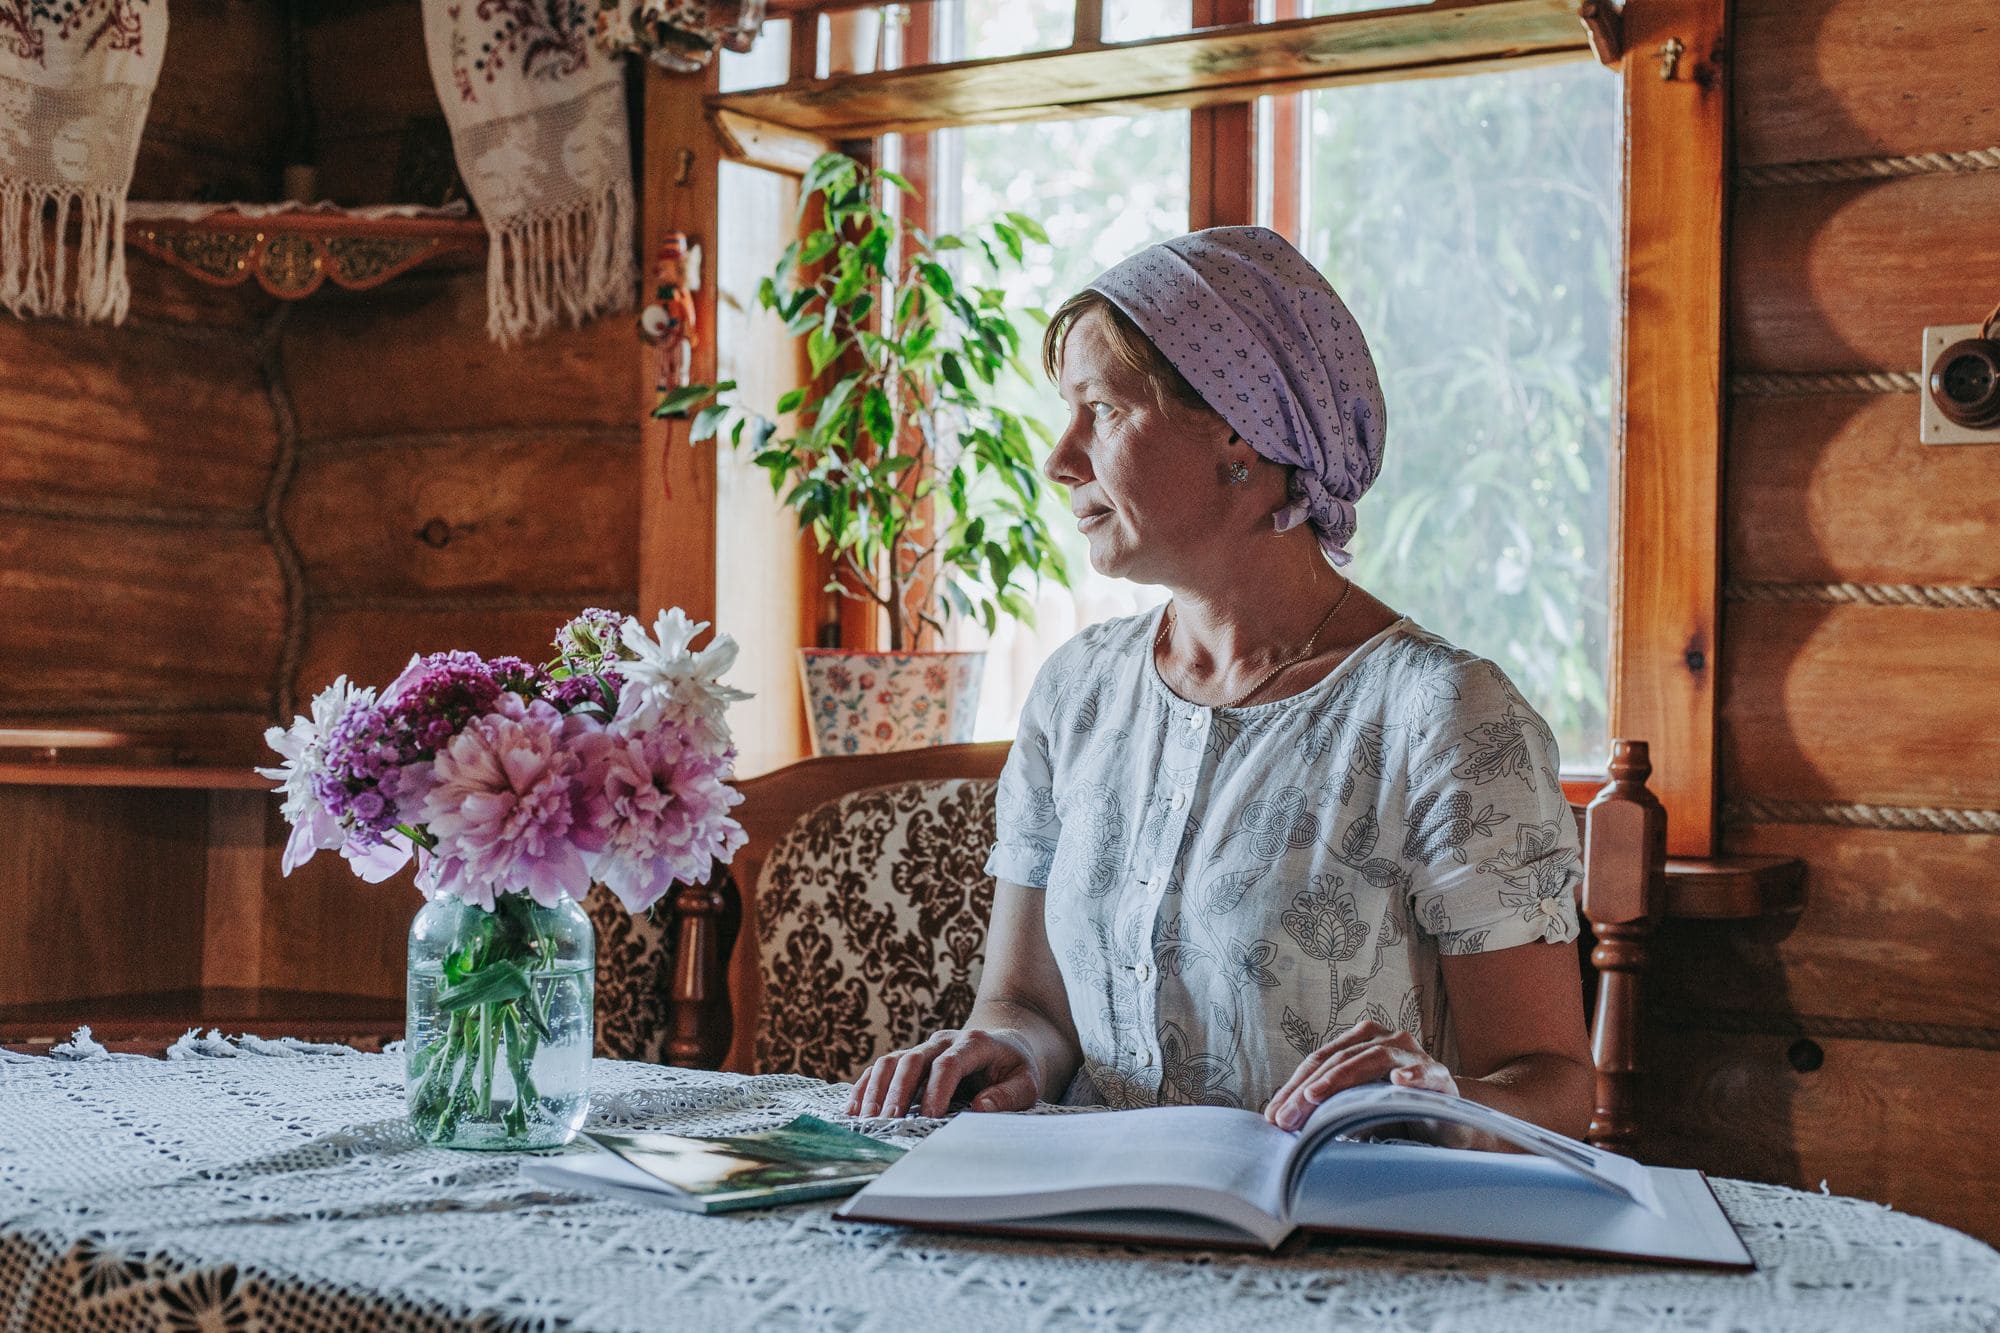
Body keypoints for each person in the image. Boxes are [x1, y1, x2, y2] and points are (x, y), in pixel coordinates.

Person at [845, 226, 1592, 1145]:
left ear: (1242, 428)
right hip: (1082, 1225)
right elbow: (1025, 1004)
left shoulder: (1444, 717)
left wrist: (1437, 1097)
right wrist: (1010, 1055)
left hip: (1335, 1246)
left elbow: (1554, 1086)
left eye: (1101, 410)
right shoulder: (1075, 693)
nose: (1059, 458)